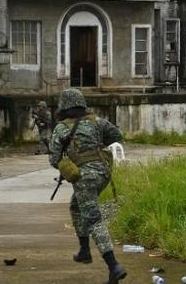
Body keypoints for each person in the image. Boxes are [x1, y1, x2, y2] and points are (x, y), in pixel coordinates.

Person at [49, 88, 126, 284]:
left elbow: (54, 158)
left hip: (85, 178)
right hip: (104, 173)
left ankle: (114, 266)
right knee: (76, 206)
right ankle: (84, 250)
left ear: (64, 106)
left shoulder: (61, 129)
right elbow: (117, 135)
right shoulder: (97, 121)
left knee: (93, 219)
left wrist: (68, 160)